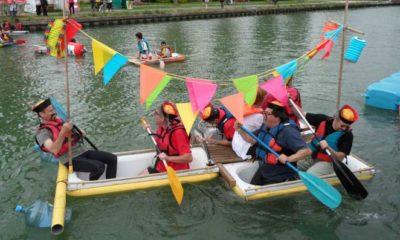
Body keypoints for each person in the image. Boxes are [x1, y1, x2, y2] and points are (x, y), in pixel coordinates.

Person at [32, 98, 118, 180]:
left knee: (113, 159)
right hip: (70, 158)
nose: (54, 112)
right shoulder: (42, 132)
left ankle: (111, 183)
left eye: (53, 109)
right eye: (50, 111)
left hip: (83, 151)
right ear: (42, 114)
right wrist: (63, 132)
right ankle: (89, 187)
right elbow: (54, 150)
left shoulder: (60, 121)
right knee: (99, 167)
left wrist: (80, 133)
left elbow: (73, 135)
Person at [236, 101, 311, 185]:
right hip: (263, 170)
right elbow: (252, 140)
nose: (263, 116)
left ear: (277, 117)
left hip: (279, 176)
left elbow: (306, 151)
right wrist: (240, 130)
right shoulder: (265, 125)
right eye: (264, 112)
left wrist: (289, 159)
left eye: (267, 114)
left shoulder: (288, 131)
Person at [296, 104, 358, 176]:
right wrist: (289, 103)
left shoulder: (347, 135)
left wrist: (328, 147)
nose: (344, 128)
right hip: (312, 155)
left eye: (347, 127)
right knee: (293, 165)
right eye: (343, 125)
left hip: (329, 162)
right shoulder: (323, 120)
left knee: (310, 174)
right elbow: (301, 114)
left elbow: (340, 158)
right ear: (336, 119)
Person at [141, 101, 193, 174]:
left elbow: (188, 158)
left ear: (163, 118)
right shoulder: (162, 127)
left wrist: (168, 158)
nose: (154, 116)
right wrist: (150, 130)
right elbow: (162, 140)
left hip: (174, 171)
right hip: (161, 165)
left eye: (156, 114)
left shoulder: (178, 133)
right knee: (138, 177)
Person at [232, 88, 266, 160]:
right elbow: (266, 130)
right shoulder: (259, 116)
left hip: (236, 144)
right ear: (260, 100)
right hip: (244, 149)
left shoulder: (242, 108)